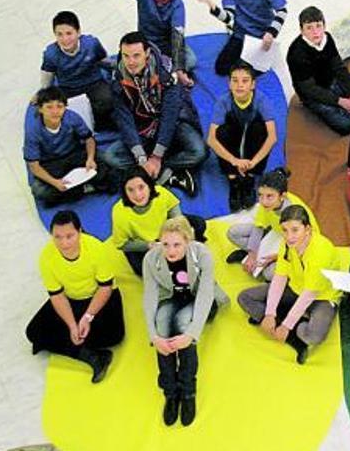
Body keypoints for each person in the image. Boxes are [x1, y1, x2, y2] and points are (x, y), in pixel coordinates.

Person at [142, 216, 229, 426]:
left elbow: (206, 294)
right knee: (162, 325)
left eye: (177, 244)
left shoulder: (203, 254)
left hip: (198, 298)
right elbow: (150, 296)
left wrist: (191, 334)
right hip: (172, 297)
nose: (170, 250)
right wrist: (154, 336)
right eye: (165, 244)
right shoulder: (151, 259)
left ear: (188, 242)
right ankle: (171, 391)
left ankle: (188, 390)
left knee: (182, 323)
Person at [237, 205, 346, 364]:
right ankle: (288, 329)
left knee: (314, 336)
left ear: (307, 229)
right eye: (285, 230)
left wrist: (287, 326)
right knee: (244, 298)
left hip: (321, 297)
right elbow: (279, 279)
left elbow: (309, 294)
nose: (289, 236)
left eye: (295, 230)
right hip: (295, 288)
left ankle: (289, 329)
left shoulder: (321, 252)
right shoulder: (287, 244)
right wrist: (269, 314)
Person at [25, 211, 124, 384]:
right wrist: (71, 325)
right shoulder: (46, 257)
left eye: (69, 236)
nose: (64, 243)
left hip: (99, 297)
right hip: (71, 299)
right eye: (58, 237)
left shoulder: (96, 248)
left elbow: (105, 288)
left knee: (114, 335)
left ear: (80, 232)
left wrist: (87, 317)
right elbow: (57, 296)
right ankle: (92, 356)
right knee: (33, 332)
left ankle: (63, 344)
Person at [102, 31, 206, 196]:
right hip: (142, 127)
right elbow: (125, 119)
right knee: (110, 156)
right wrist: (142, 159)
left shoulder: (167, 71)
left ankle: (151, 171)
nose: (131, 62)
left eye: (136, 56)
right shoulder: (117, 78)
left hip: (174, 122)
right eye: (126, 56)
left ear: (147, 53)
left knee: (199, 152)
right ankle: (168, 174)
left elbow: (170, 114)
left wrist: (157, 157)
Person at [286, 6, 350, 135]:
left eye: (318, 26)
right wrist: (340, 101)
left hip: (333, 81)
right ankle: (336, 107)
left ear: (324, 26)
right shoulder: (296, 54)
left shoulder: (327, 39)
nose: (315, 32)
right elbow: (309, 89)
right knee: (347, 125)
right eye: (309, 28)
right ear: (301, 30)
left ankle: (346, 102)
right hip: (314, 94)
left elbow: (339, 68)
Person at [195, 0, 288, 76]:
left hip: (260, 37)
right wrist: (211, 4)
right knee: (221, 68)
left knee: (249, 70)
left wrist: (271, 32)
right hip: (240, 34)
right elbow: (229, 18)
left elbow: (282, 10)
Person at [109, 0, 195, 86]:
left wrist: (179, 70)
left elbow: (177, 37)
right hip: (146, 43)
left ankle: (158, 68)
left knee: (191, 60)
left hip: (167, 46)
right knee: (135, 63)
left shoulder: (177, 4)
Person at [24, 86, 117, 205]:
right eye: (49, 107)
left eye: (59, 106)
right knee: (40, 191)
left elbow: (89, 139)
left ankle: (76, 191)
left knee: (109, 163)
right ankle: (85, 188)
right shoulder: (33, 130)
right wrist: (55, 182)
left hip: (75, 154)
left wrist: (90, 159)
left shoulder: (71, 117)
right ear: (40, 109)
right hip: (51, 163)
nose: (55, 111)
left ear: (65, 107)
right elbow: (34, 166)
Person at [207, 62, 278, 212]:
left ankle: (249, 179)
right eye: (235, 80)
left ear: (253, 84)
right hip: (234, 131)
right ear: (229, 84)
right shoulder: (223, 102)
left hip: (252, 132)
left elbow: (272, 137)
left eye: (245, 81)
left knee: (261, 129)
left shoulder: (262, 101)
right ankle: (233, 179)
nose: (239, 85)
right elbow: (211, 139)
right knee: (221, 132)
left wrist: (253, 162)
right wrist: (234, 161)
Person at [226, 168, 319, 280]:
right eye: (260, 195)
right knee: (233, 233)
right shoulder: (265, 204)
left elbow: (300, 247)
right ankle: (249, 255)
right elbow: (258, 226)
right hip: (275, 232)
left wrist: (276, 257)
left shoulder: (294, 214)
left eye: (270, 196)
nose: (263, 201)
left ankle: (266, 263)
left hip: (295, 244)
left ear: (282, 196)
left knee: (269, 274)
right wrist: (252, 254)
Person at [111, 167, 207, 276]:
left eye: (141, 187)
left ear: (149, 186)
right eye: (130, 190)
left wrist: (180, 233)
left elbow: (174, 211)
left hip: (168, 229)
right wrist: (148, 245)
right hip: (146, 243)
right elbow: (122, 244)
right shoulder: (119, 212)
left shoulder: (160, 192)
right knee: (142, 269)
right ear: (124, 192)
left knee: (199, 224)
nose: (137, 195)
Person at [39, 11, 114, 131]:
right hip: (68, 88)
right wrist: (43, 94)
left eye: (69, 33)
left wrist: (117, 73)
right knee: (59, 112)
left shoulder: (91, 43)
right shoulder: (51, 54)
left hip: (94, 83)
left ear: (78, 32)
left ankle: (101, 126)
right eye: (60, 34)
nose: (65, 39)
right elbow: (47, 76)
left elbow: (104, 61)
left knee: (108, 99)